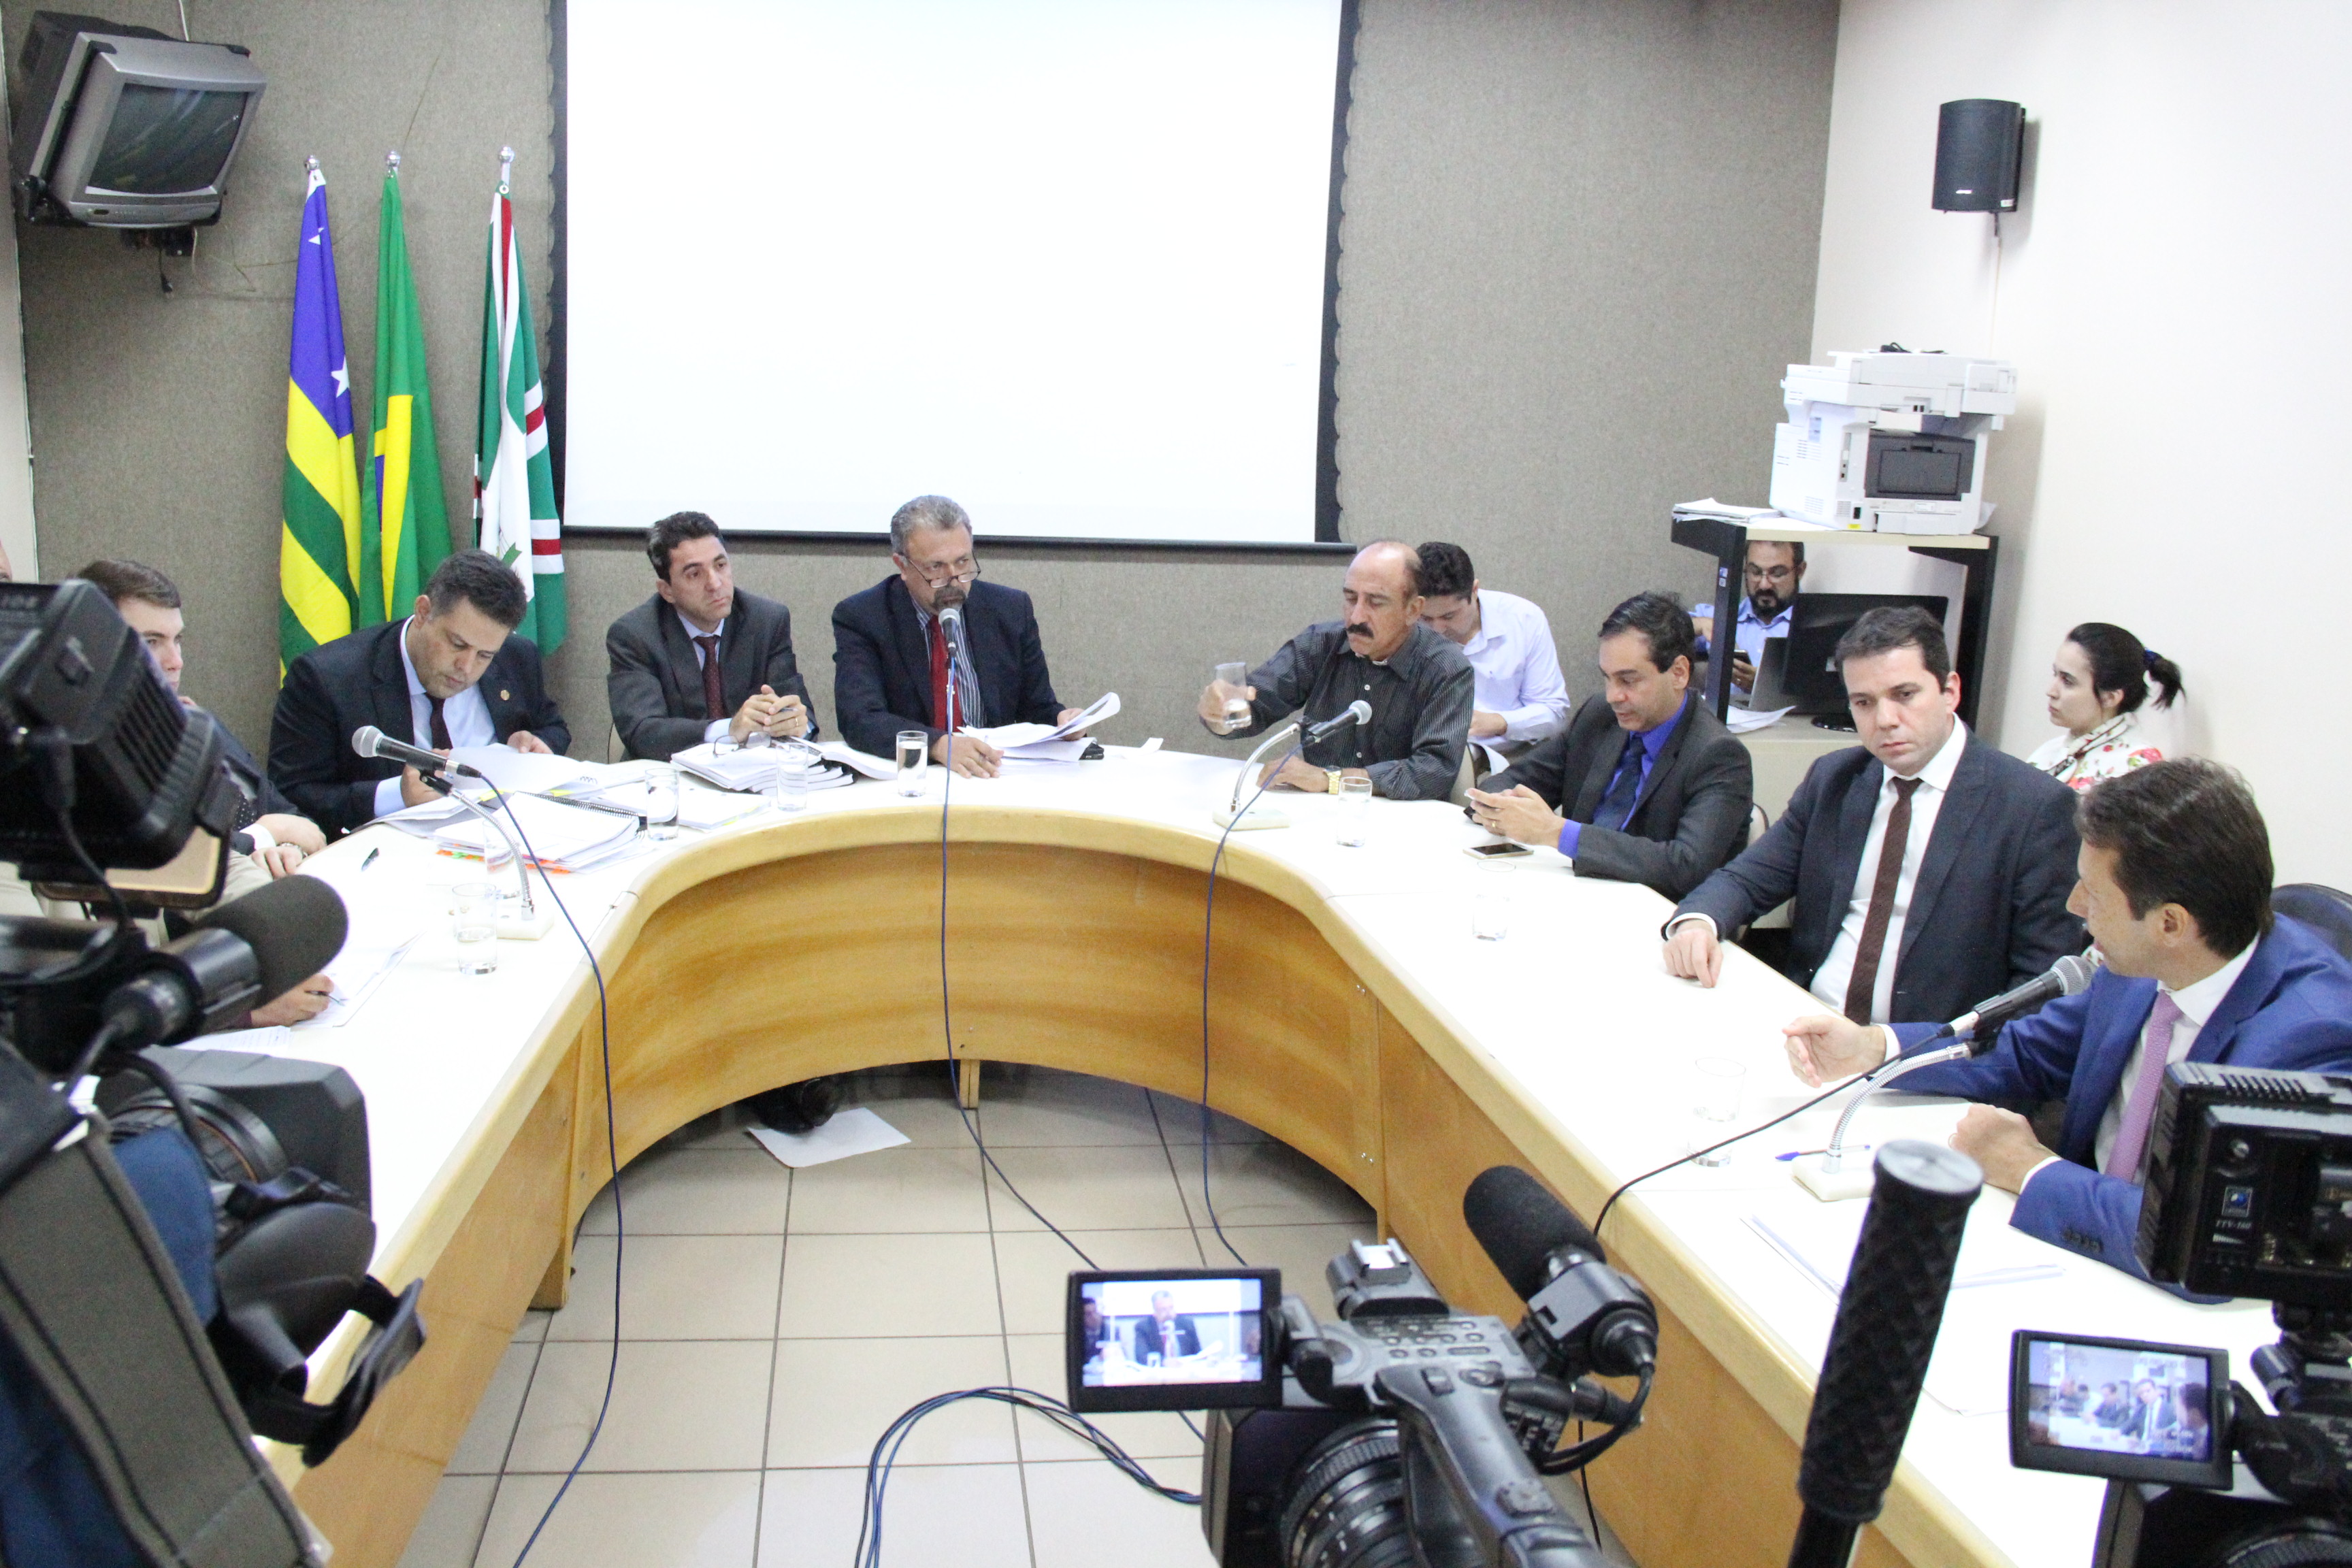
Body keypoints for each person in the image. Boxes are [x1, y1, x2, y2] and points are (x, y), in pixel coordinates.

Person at [1782, 760, 2352, 1284]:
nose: (2075, 906)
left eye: (2095, 895)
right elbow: (2026, 1054)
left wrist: (2032, 1172)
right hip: (2072, 1251)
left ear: (2170, 925)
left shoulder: (2311, 1038)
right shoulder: (2138, 965)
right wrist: (1874, 1048)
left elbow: (2215, 1246)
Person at [1666, 606, 2083, 1025]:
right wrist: (1699, 923)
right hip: (1808, 1023)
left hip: (1924, 1048)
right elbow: (1746, 879)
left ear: (1950, 691)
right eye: (1864, 702)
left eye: (1905, 695)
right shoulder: (1835, 780)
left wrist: (1893, 1047)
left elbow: (2039, 989)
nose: (1885, 720)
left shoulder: (2033, 808)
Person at [1467, 591, 1752, 899]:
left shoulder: (1718, 755)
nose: (1614, 696)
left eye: (1628, 681)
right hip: (1572, 892)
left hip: (1653, 911)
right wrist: (1504, 806)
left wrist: (1555, 832)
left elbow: (1686, 866)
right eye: (1608, 679)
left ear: (1679, 673)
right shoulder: (1600, 717)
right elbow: (1512, 780)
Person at [269, 549, 571, 836]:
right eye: (457, 644)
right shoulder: (327, 678)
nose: (466, 667)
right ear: (423, 612)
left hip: (498, 838)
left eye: (484, 655)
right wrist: (396, 795)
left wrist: (536, 745)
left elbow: (553, 727)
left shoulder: (517, 657)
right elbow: (291, 795)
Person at [74, 560, 327, 879]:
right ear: (96, 646)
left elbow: (291, 819)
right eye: (151, 642)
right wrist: (262, 837)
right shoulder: (85, 750)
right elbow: (161, 855)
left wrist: (288, 849)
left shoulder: (194, 722)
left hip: (277, 882)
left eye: (177, 640)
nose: (175, 662)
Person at [1197, 541, 1472, 801]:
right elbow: (1256, 706)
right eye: (1351, 598)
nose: (1356, 617)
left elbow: (1435, 770)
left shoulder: (1447, 669)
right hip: (1319, 811)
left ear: (1413, 610)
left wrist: (1333, 779)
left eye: (1375, 603)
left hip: (1404, 819)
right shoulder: (1319, 645)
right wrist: (1220, 713)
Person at [831, 495, 1083, 776]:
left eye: (963, 562)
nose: (954, 580)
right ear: (902, 566)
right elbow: (860, 718)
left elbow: (1037, 708)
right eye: (936, 567)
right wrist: (938, 745)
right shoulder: (864, 617)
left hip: (993, 774)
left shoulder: (1010, 610)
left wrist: (1061, 722)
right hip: (911, 778)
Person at [606, 510, 817, 761]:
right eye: (695, 574)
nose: (715, 584)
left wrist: (796, 724)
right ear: (667, 591)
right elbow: (642, 732)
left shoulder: (767, 621)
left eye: (720, 566)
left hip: (751, 773)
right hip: (670, 775)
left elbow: (801, 714)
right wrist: (728, 730)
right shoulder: (635, 635)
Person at [1414, 541, 1569, 760]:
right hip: (1428, 757)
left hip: (1512, 758)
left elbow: (1554, 713)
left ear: (1474, 591)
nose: (1438, 629)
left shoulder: (1524, 619)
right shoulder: (1403, 622)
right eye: (1426, 618)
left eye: (1449, 616)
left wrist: (1499, 722)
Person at [2027, 623, 2183, 792]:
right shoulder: (2050, 751)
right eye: (2055, 674)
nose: (2051, 691)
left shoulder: (2138, 770)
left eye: (2068, 681)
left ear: (2110, 697)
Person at [1691, 540, 1806, 696]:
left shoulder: (1814, 626)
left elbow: (1826, 695)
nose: (1764, 585)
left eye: (1777, 574)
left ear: (1800, 571)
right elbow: (1660, 632)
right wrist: (1701, 624)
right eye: (1755, 572)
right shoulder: (1724, 616)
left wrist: (1763, 688)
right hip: (1721, 711)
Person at [1129, 1290, 1200, 1368]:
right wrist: (1163, 1362)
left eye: (1171, 1308)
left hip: (1185, 1369)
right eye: (1163, 1309)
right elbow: (1141, 1356)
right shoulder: (1143, 1327)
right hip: (1158, 1371)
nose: (1168, 1313)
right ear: (1155, 1311)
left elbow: (1198, 1354)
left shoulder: (1187, 1324)